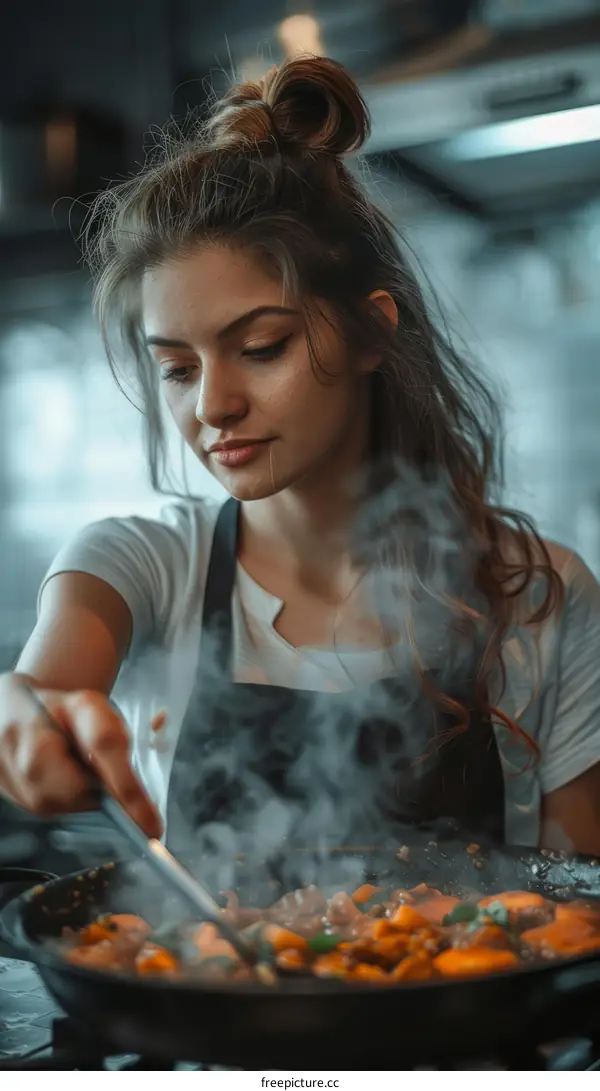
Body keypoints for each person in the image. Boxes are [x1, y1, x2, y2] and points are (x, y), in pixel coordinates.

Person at [1, 56, 600, 858]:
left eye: (260, 346)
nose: (212, 405)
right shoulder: (142, 565)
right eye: (177, 368)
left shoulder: (540, 597)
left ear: (370, 333)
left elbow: (574, 920)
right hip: (202, 986)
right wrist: (29, 720)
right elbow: (42, 688)